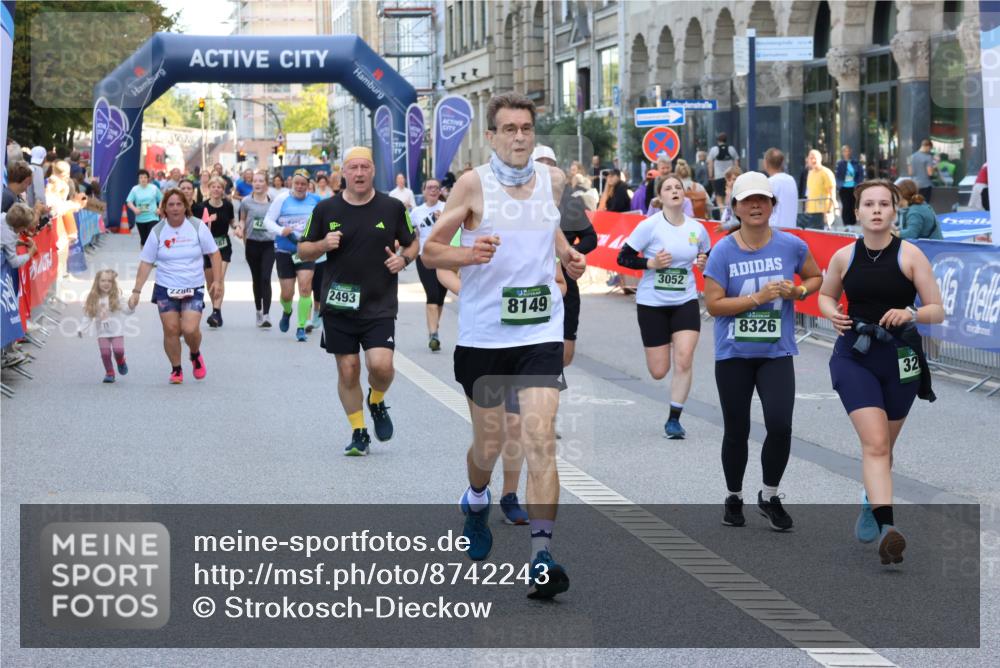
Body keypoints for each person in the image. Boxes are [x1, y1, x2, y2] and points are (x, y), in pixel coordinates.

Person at [421, 92, 586, 600]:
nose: (519, 136)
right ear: (490, 136)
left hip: (538, 332)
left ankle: (541, 555)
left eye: (526, 128)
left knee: (538, 439)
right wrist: (469, 254)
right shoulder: (474, 185)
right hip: (484, 337)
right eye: (508, 129)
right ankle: (475, 498)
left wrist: (569, 259)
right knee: (489, 445)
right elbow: (429, 253)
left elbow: (551, 234)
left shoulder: (553, 182)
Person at [818, 179, 944, 565]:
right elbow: (825, 294)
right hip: (854, 355)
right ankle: (889, 529)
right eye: (868, 204)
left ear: (894, 210)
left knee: (883, 450)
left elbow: (937, 309)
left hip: (901, 359)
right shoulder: (844, 256)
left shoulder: (910, 255)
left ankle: (869, 500)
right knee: (874, 444)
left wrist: (912, 312)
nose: (876, 210)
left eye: (883, 204)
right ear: (856, 212)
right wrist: (832, 313)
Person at [702, 171, 823, 530]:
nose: (755, 205)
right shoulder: (723, 251)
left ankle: (769, 495)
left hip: (776, 352)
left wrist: (798, 293)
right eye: (747, 200)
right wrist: (757, 298)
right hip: (734, 354)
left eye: (762, 199)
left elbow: (815, 277)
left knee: (781, 425)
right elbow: (713, 305)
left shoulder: (791, 245)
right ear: (735, 207)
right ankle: (734, 496)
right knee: (736, 429)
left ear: (772, 205)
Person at [298, 146, 418, 454]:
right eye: (354, 168)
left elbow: (413, 242)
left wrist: (403, 260)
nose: (360, 173)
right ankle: (359, 431)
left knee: (381, 366)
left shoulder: (392, 207)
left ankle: (376, 400)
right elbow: (303, 249)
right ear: (344, 173)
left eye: (365, 167)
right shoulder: (325, 209)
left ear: (373, 172)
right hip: (339, 304)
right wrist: (323, 244)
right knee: (348, 369)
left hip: (379, 302)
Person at [617, 174, 711, 438]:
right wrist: (650, 264)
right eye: (668, 188)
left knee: (684, 358)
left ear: (684, 194)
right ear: (660, 196)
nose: (674, 191)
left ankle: (674, 419)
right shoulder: (650, 226)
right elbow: (623, 257)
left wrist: (704, 264)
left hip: (685, 301)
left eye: (678, 187)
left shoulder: (696, 229)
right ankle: (663, 342)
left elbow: (709, 256)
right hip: (652, 303)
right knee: (659, 371)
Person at [128, 188, 222, 384]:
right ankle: (176, 369)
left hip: (193, 285)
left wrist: (217, 281)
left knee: (189, 329)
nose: (175, 208)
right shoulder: (158, 231)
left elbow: (214, 253)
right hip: (166, 286)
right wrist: (137, 291)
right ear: (164, 208)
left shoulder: (197, 227)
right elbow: (146, 262)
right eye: (171, 204)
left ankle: (195, 353)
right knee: (171, 329)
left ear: (185, 207)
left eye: (179, 204)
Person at [534, 145, 597, 367]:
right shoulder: (515, 203)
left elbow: (590, 237)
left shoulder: (570, 203)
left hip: (566, 283)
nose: (545, 168)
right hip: (531, 283)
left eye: (549, 163)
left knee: (566, 354)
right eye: (539, 163)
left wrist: (570, 254)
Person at [263, 169, 322, 342]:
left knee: (305, 288)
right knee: (287, 293)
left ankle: (301, 326)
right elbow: (268, 221)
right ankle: (287, 311)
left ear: (309, 185)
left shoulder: (316, 200)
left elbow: (324, 219)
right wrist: (281, 230)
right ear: (291, 183)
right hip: (284, 250)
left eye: (303, 184)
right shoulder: (282, 199)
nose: (300, 187)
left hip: (306, 250)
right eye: (297, 183)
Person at [192, 177, 236, 328]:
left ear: (223, 190)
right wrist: (207, 221)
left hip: (223, 246)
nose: (216, 189)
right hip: (206, 249)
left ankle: (216, 311)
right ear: (208, 189)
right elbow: (195, 227)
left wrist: (239, 227)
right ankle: (217, 310)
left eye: (219, 187)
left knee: (220, 278)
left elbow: (232, 222)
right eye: (214, 187)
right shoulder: (200, 208)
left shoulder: (228, 206)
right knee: (211, 282)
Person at [76, 269, 134, 383]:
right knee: (105, 353)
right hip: (102, 332)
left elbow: (127, 311)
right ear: (97, 282)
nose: (106, 283)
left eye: (109, 281)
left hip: (117, 331)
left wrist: (132, 306)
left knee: (118, 350)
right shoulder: (92, 298)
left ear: (113, 283)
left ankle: (121, 361)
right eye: (103, 281)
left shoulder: (117, 297)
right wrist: (81, 329)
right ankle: (109, 373)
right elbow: (88, 315)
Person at [410, 178, 448, 351]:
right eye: (429, 187)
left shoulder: (447, 209)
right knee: (432, 294)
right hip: (424, 257)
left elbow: (458, 230)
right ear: (423, 191)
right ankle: (434, 334)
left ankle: (435, 328)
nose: (433, 190)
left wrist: (444, 221)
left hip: (445, 257)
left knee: (440, 297)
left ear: (440, 191)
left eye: (436, 187)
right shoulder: (417, 212)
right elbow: (411, 235)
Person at [238, 170, 276, 327]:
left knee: (266, 278)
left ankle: (267, 315)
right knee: (257, 279)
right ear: (252, 183)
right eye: (255, 181)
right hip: (252, 243)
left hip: (269, 244)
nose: (258, 184)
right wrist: (240, 229)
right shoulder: (246, 202)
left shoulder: (273, 202)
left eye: (261, 181)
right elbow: (242, 220)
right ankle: (258, 311)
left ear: (266, 184)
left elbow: (278, 221)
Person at [126, 170, 163, 247]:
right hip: (140, 218)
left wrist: (159, 209)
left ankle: (151, 256)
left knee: (152, 237)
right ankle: (144, 256)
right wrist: (134, 209)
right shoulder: (135, 189)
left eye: (145, 177)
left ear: (148, 179)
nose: (143, 179)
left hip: (153, 217)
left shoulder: (154, 188)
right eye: (141, 177)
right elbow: (129, 201)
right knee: (144, 240)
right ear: (138, 179)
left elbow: (161, 199)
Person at [764, 148, 799, 229]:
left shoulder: (769, 183)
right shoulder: (791, 180)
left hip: (774, 230)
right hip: (791, 229)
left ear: (766, 163)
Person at [1, 203, 38, 269]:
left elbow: (7, 241)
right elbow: (14, 262)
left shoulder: (3, 216)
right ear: (21, 227)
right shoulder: (8, 236)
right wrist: (30, 254)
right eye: (25, 227)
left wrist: (24, 243)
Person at [708, 133, 740, 208]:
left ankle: (723, 214)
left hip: (718, 177)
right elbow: (736, 163)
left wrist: (711, 175)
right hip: (730, 178)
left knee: (719, 199)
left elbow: (710, 164)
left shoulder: (714, 150)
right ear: (726, 140)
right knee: (730, 195)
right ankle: (729, 211)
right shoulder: (731, 149)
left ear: (718, 141)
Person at [835, 146, 864, 227]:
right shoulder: (840, 164)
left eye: (848, 151)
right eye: (844, 151)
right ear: (842, 153)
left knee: (853, 205)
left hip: (854, 187)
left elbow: (860, 174)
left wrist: (859, 184)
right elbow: (838, 175)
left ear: (850, 152)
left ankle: (853, 222)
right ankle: (846, 224)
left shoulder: (856, 163)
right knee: (846, 205)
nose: (846, 153)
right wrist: (839, 185)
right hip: (844, 188)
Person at [805, 150, 835, 228]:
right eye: (811, 158)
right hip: (810, 211)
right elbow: (809, 192)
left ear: (820, 159)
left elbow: (832, 193)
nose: (813, 160)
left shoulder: (826, 172)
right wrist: (806, 208)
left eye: (815, 158)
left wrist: (829, 211)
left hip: (822, 212)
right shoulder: (810, 173)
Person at [907, 139, 935, 204]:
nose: (929, 150)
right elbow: (930, 173)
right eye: (930, 148)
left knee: (915, 204)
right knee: (924, 204)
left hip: (914, 185)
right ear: (927, 146)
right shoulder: (928, 157)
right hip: (925, 185)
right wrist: (934, 168)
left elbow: (910, 173)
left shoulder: (910, 157)